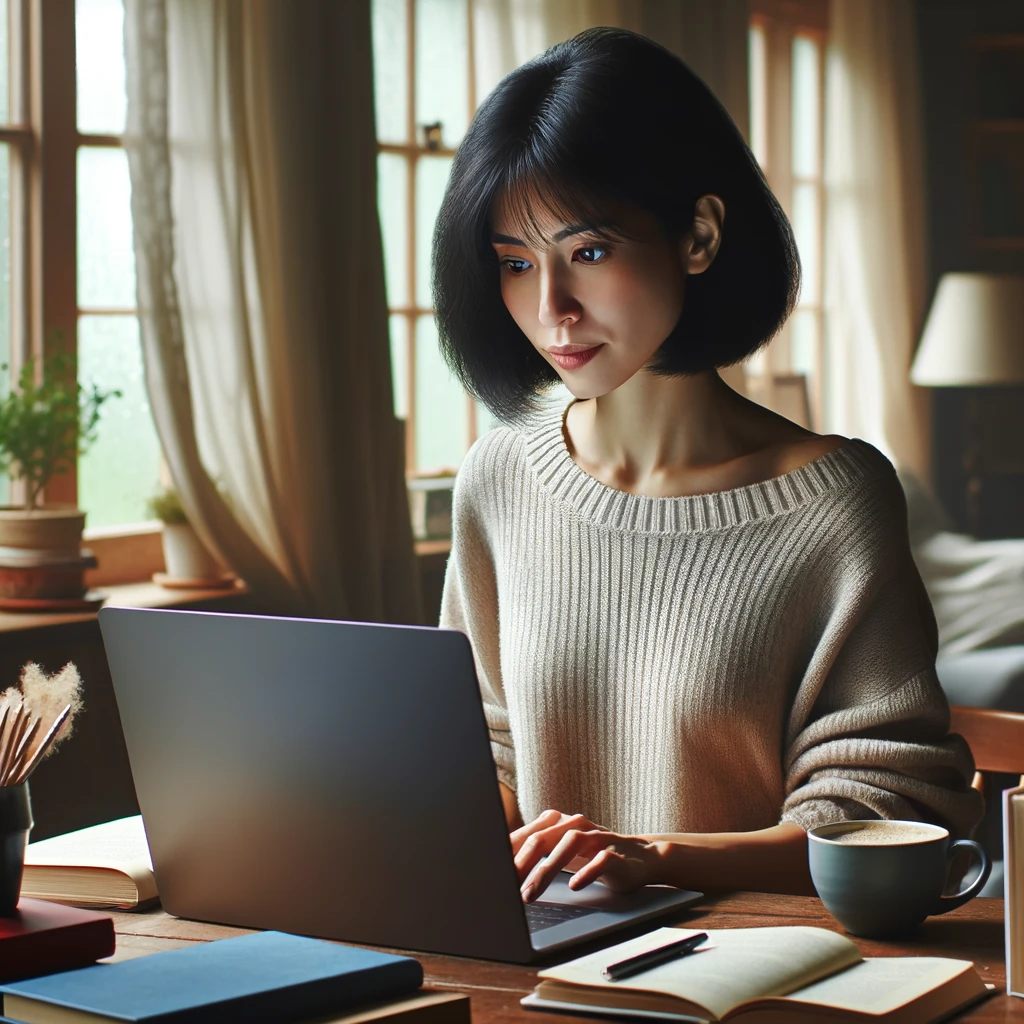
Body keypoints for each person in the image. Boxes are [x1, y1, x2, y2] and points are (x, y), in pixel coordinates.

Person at [431, 27, 982, 904]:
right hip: (537, 954)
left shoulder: (835, 503)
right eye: (515, 263)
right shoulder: (498, 479)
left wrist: (658, 858)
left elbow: (884, 808)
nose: (551, 307)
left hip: (754, 957)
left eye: (589, 252)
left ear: (699, 235)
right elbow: (489, 753)